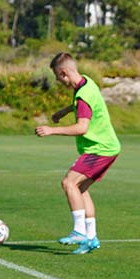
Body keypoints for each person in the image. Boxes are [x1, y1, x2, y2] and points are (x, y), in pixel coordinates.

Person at [35, 52, 122, 255]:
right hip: (108, 148)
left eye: (58, 77)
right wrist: (63, 112)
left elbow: (82, 127)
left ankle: (79, 231)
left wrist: (51, 130)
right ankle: (91, 238)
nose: (59, 81)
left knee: (68, 183)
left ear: (64, 72)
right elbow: (82, 103)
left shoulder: (83, 95)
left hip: (99, 149)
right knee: (80, 189)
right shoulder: (86, 83)